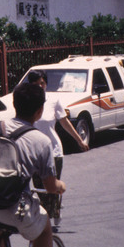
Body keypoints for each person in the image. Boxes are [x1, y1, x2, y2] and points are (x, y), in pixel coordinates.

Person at [0, 82, 66, 247]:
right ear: (39, 111)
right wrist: (61, 187)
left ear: (14, 104)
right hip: (15, 209)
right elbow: (50, 187)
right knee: (45, 230)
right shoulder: (41, 140)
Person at [27, 70, 89, 226]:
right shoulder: (26, 102)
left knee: (51, 187)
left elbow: (65, 122)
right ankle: (48, 215)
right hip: (35, 153)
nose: (40, 87)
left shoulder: (53, 100)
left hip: (54, 151)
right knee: (40, 188)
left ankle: (51, 214)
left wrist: (79, 140)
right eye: (36, 84)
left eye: (43, 83)